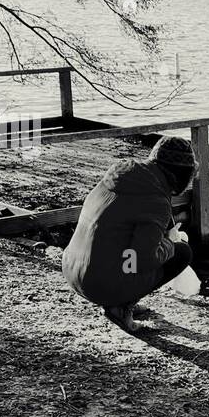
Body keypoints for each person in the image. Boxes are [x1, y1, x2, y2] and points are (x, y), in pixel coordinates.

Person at [62, 135, 195, 331]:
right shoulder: (154, 202)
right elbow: (142, 260)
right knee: (182, 253)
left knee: (130, 257)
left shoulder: (122, 177)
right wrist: (170, 242)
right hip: (100, 284)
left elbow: (130, 224)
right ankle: (121, 306)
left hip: (72, 269)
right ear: (181, 175)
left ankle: (122, 296)